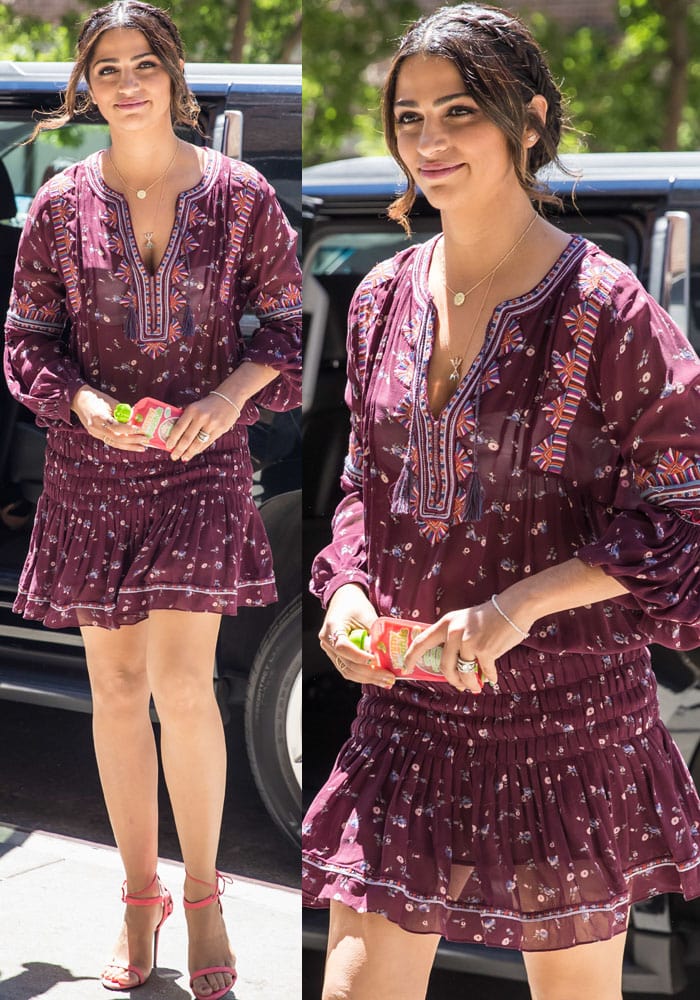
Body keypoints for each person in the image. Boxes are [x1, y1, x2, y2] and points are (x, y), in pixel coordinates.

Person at [301, 5, 700, 999]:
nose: (428, 143)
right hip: (408, 715)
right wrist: (345, 591)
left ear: (526, 120)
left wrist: (515, 606)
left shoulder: (607, 307)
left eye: (458, 113)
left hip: (565, 728)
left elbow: (679, 507)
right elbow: (365, 479)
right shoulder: (380, 295)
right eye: (407, 118)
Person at [3, 2, 301, 998]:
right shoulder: (55, 203)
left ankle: (207, 893)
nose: (127, 81)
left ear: (174, 75)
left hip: (201, 466)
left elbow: (286, 335)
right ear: (86, 86)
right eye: (107, 67)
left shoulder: (244, 195)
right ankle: (140, 896)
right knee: (118, 692)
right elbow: (26, 344)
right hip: (92, 474)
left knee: (183, 687)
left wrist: (223, 400)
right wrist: (86, 404)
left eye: (145, 62)